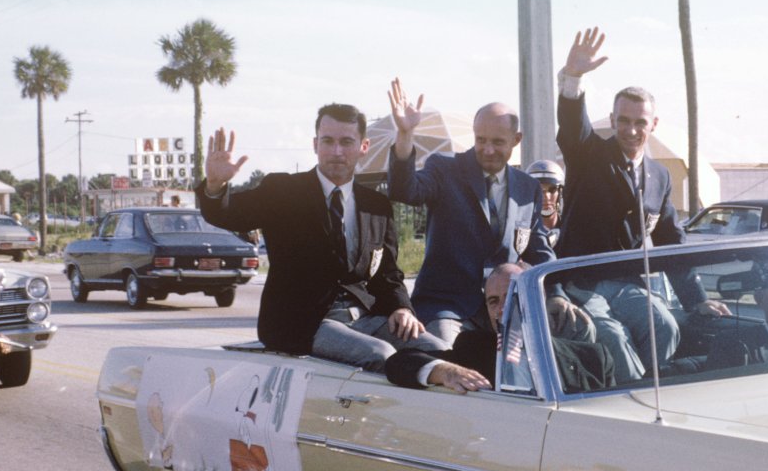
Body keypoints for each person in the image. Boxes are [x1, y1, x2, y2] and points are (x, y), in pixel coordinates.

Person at [197, 106, 444, 370]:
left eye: (346, 142)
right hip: (302, 323)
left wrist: (401, 309)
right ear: (316, 144)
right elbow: (228, 214)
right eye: (328, 141)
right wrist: (215, 186)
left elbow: (388, 275)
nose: (337, 151)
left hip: (365, 318)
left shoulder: (376, 206)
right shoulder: (283, 191)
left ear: (363, 146)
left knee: (438, 350)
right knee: (380, 355)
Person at [553, 26, 726, 373]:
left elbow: (669, 243)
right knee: (611, 337)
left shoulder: (660, 177)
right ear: (614, 120)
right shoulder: (588, 155)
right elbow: (573, 127)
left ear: (654, 124)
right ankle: (629, 400)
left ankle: (646, 389)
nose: (631, 130)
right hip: (582, 284)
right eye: (624, 121)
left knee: (665, 326)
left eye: (640, 122)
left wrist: (698, 300)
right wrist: (572, 78)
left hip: (628, 284)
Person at [386, 81, 553, 343]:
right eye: (480, 140)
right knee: (448, 358)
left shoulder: (527, 187)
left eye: (498, 142)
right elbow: (404, 190)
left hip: (505, 308)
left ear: (516, 140)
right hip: (447, 307)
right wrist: (405, 134)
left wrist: (560, 297)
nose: (488, 150)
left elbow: (540, 252)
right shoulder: (444, 169)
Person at [384, 263, 613, 394]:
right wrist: (446, 372)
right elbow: (399, 362)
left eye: (512, 296)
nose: (502, 309)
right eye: (493, 301)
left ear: (539, 300)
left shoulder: (594, 359)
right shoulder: (474, 349)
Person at [523, 159, 565, 249]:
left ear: (560, 193)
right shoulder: (522, 233)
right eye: (539, 191)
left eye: (552, 189)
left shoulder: (569, 229)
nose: (546, 196)